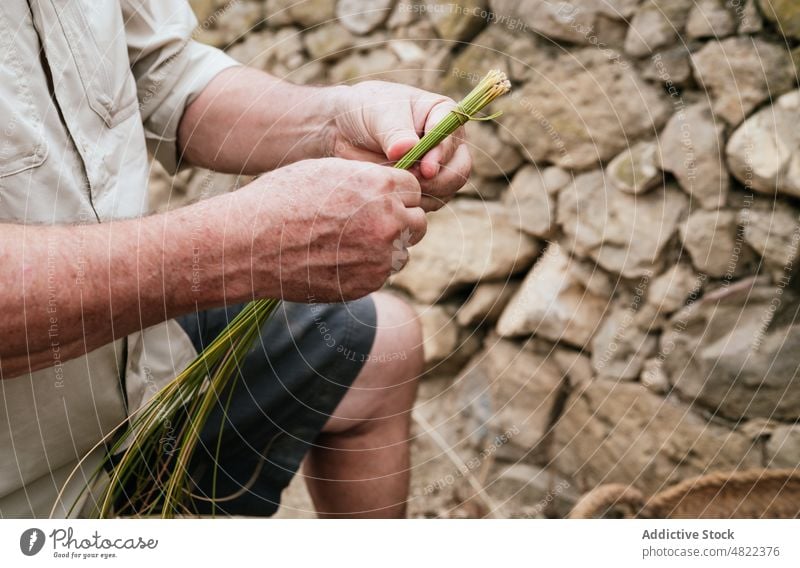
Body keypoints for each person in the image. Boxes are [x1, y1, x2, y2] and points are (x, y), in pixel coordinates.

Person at [0, 1, 471, 518]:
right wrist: (235, 249)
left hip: (143, 372)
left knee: (384, 341)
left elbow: (164, 73)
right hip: (30, 484)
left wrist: (335, 122)